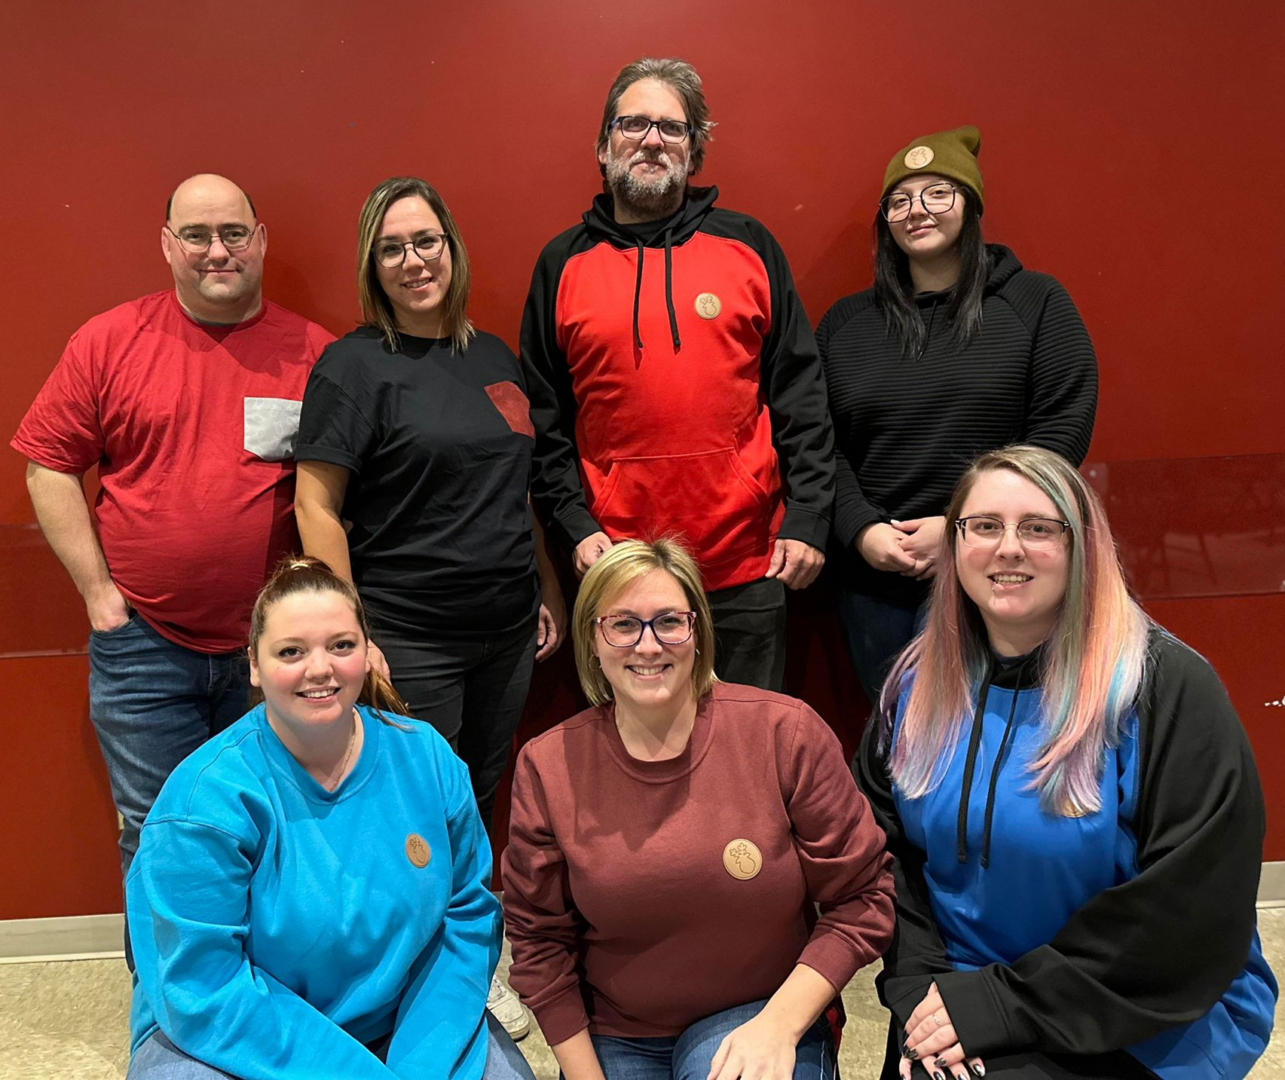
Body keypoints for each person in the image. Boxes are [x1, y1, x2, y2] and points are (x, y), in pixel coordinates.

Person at [856, 445, 1276, 1080]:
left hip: (1139, 1003)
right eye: (984, 526)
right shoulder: (915, 685)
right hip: (961, 985)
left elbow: (1189, 909)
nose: (1008, 548)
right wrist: (922, 985)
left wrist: (1005, 1004)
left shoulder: (1165, 687)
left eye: (1038, 527)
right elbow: (880, 852)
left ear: (1083, 547)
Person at [11, 174, 333, 890]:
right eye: (195, 235)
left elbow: (347, 493)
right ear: (167, 245)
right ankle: (164, 1004)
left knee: (282, 827)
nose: (216, 251)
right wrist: (100, 598)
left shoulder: (316, 354)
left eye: (232, 233)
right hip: (143, 651)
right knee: (161, 833)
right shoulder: (108, 342)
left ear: (260, 240)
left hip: (275, 652)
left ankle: (264, 995)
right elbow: (47, 468)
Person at [294, 176, 559, 1039]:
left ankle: (472, 964)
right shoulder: (354, 364)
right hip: (410, 635)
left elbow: (520, 489)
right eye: (393, 247)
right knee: (413, 811)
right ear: (374, 263)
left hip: (507, 628)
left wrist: (547, 589)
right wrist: (350, 634)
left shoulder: (492, 357)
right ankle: (414, 980)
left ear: (453, 247)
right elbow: (315, 505)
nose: (415, 261)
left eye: (427, 241)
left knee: (482, 795)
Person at [125, 557, 537, 1080]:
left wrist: (421, 1067)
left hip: (405, 1020)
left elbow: (467, 920)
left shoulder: (427, 759)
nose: (319, 669)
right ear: (253, 664)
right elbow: (201, 983)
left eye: (341, 646)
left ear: (368, 653)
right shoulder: (204, 801)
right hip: (239, 1032)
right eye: (291, 651)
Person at [502, 538, 895, 1080]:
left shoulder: (786, 732)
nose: (647, 645)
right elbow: (538, 941)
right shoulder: (548, 766)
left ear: (698, 630)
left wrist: (780, 1025)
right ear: (592, 638)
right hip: (621, 1032)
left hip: (761, 1010)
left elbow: (863, 898)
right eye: (622, 624)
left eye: (669, 621)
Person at [522, 57, 836, 693]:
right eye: (633, 123)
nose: (651, 139)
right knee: (633, 763)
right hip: (618, 570)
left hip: (746, 564)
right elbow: (544, 419)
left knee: (747, 762)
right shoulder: (562, 263)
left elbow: (800, 394)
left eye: (672, 127)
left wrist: (810, 519)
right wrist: (575, 527)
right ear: (604, 144)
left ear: (694, 151)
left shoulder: (749, 246)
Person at [818, 126, 1097, 707]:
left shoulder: (1036, 303)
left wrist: (961, 529)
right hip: (880, 581)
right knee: (906, 744)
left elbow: (1060, 429)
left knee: (1016, 735)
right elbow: (817, 446)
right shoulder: (845, 326)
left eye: (937, 193)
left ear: (970, 206)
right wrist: (862, 531)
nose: (916, 211)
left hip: (1008, 566)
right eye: (899, 200)